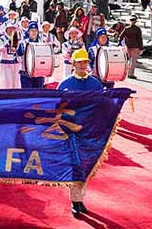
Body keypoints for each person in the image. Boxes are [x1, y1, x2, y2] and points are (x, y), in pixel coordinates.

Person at [57, 48, 103, 217]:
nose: (83, 65)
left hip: (89, 131)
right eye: (80, 62)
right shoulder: (65, 84)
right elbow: (59, 109)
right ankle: (76, 201)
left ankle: (79, 199)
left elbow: (102, 106)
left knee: (85, 166)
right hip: (71, 132)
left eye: (85, 62)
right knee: (76, 165)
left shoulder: (95, 84)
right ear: (73, 63)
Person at [16, 21, 46, 89]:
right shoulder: (23, 43)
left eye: (35, 30)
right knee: (27, 95)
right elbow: (17, 56)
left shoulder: (42, 43)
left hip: (39, 74)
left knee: (38, 95)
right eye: (31, 30)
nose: (33, 32)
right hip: (26, 74)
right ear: (28, 32)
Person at [0, 23, 21, 89]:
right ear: (6, 29)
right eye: (10, 28)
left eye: (13, 28)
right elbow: (0, 49)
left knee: (16, 82)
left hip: (16, 63)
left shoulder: (18, 39)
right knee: (6, 82)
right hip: (6, 63)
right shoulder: (2, 39)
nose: (12, 30)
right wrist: (7, 44)